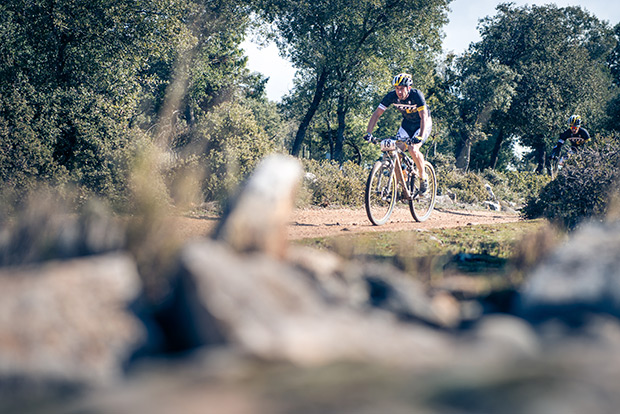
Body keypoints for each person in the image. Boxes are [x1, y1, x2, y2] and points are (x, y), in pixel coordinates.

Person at [364, 73, 432, 194]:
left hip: (422, 124)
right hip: (406, 125)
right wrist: (369, 133)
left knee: (413, 149)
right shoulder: (391, 96)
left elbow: (424, 117)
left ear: (408, 88)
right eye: (397, 88)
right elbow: (376, 114)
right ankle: (402, 180)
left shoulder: (416, 95)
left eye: (401, 88)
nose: (399, 92)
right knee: (395, 151)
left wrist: (420, 136)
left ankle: (423, 177)